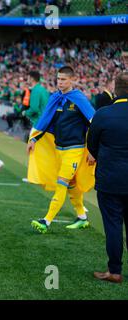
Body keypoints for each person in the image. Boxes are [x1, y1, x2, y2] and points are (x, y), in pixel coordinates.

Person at [28, 66, 96, 233]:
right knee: (71, 183)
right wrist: (34, 138)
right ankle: (82, 217)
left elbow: (95, 123)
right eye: (58, 79)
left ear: (72, 80)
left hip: (75, 149)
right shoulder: (55, 98)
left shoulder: (79, 99)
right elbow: (46, 121)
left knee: (62, 183)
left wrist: (93, 150)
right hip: (59, 149)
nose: (60, 82)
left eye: (64, 79)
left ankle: (46, 220)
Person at [88, 72, 128, 284]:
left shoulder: (103, 114)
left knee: (113, 226)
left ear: (115, 89)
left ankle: (114, 270)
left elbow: (91, 145)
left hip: (110, 179)